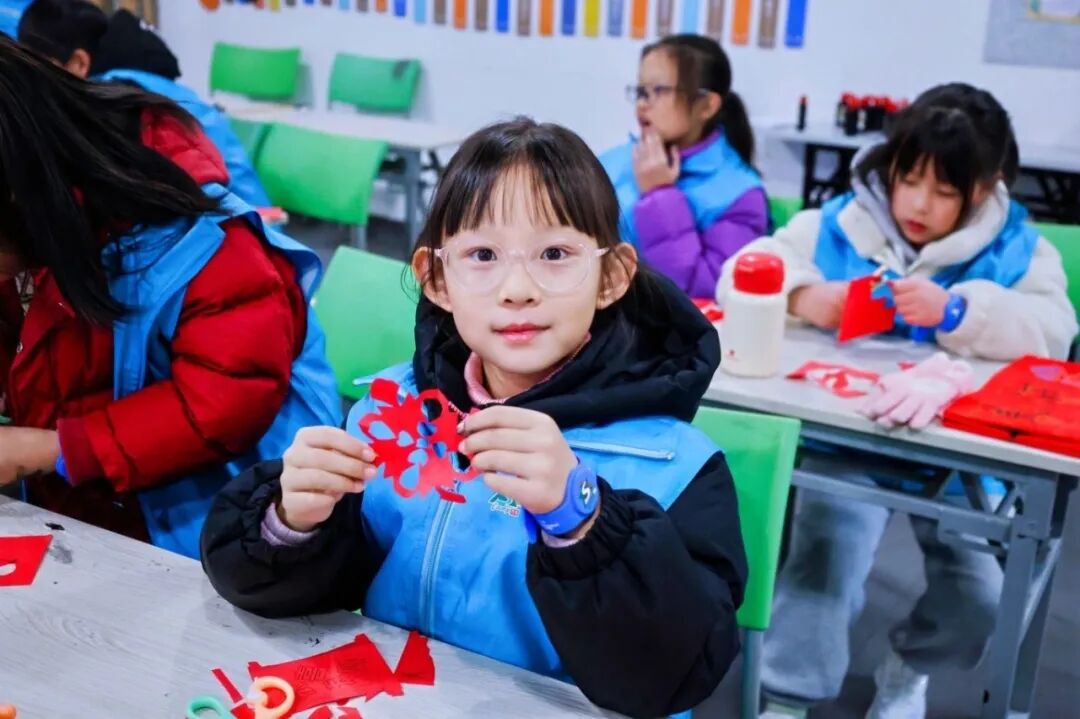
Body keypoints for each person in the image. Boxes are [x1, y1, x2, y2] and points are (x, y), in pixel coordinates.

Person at [201, 118, 748, 719]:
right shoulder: (391, 410)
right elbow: (319, 589)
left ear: (611, 277)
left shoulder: (678, 466)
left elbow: (675, 673)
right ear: (437, 279)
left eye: (555, 254)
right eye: (482, 255)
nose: (517, 288)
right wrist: (292, 522)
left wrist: (583, 520)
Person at [717, 84, 1077, 718]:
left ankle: (911, 667)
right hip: (849, 446)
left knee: (981, 598)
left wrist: (960, 312)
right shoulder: (837, 222)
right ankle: (789, 696)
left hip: (962, 464)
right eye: (908, 180)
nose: (917, 204)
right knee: (822, 564)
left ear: (986, 187)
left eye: (944, 191)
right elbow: (745, 269)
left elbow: (1054, 332)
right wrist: (802, 294)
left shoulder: (1018, 250)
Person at [0, 34, 339, 559]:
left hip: (210, 538)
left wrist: (52, 448)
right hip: (81, 518)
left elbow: (223, 403)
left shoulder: (205, 245)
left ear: (19, 192)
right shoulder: (40, 235)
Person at [18, 0, 272, 206]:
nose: (27, 78)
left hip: (236, 224)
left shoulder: (118, 105)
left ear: (78, 63)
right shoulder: (137, 83)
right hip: (237, 219)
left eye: (35, 65)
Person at [600, 34, 768, 299]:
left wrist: (659, 196)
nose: (643, 103)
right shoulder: (613, 160)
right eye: (641, 91)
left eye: (659, 91)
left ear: (707, 105)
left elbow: (704, 290)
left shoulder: (741, 195)